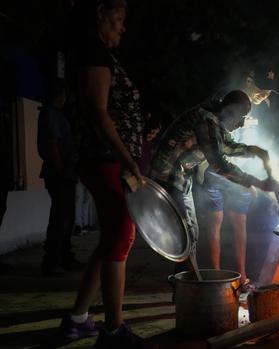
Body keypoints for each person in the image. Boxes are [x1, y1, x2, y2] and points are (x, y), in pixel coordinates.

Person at [59, 1, 152, 348]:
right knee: (121, 236)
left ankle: (78, 319)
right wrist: (128, 158)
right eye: (119, 19)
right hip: (106, 158)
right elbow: (99, 113)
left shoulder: (94, 52)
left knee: (111, 237)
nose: (123, 27)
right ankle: (113, 332)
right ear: (100, 11)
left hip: (106, 157)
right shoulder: (93, 52)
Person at [149, 90, 279, 273]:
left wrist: (256, 151)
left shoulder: (214, 122)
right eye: (241, 116)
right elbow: (220, 164)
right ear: (229, 110)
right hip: (168, 175)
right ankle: (189, 288)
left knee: (189, 234)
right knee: (186, 234)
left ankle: (186, 287)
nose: (242, 123)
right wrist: (258, 183)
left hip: (181, 177)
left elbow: (228, 146)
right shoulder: (206, 120)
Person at [37, 81, 83, 276]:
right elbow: (53, 144)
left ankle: (63, 256)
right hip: (60, 174)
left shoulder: (56, 114)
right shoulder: (51, 114)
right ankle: (53, 260)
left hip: (64, 172)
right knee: (61, 218)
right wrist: (62, 170)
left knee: (65, 217)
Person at [198, 168, 257, 291]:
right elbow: (221, 158)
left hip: (239, 174)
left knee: (240, 223)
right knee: (215, 223)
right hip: (215, 174)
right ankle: (216, 276)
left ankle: (242, 277)